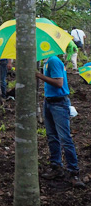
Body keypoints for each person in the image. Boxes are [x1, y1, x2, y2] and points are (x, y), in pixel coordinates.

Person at [37, 54, 85, 188]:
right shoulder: (46, 61)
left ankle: (73, 172)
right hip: (49, 102)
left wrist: (40, 76)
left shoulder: (53, 61)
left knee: (65, 138)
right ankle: (56, 166)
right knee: (52, 137)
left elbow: (59, 83)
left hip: (59, 104)